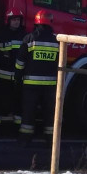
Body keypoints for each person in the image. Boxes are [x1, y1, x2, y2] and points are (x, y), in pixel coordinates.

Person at [17, 9, 59, 143]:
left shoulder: (29, 39)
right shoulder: (56, 40)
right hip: (51, 86)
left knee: (29, 112)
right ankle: (50, 139)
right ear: (50, 22)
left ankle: (25, 139)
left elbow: (20, 62)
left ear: (36, 22)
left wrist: (18, 77)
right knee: (49, 113)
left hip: (31, 85)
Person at [0, 8, 26, 131]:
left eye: (18, 20)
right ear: (8, 21)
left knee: (18, 103)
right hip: (2, 76)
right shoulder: (0, 34)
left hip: (18, 76)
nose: (16, 22)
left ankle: (17, 129)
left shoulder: (25, 36)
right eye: (14, 20)